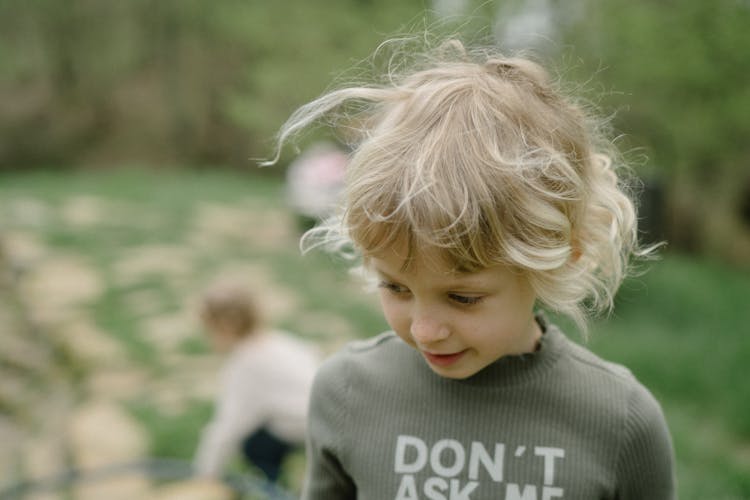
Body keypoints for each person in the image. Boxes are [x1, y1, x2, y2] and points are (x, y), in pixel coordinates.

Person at [266, 36, 676, 499]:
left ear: (563, 254)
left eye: (463, 297)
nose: (424, 330)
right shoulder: (345, 393)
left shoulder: (620, 421)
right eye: (396, 288)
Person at [193, 279, 320, 485]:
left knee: (253, 445)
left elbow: (228, 427)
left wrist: (206, 472)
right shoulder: (282, 341)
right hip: (323, 414)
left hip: (303, 424)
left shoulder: (245, 366)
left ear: (224, 328)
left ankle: (271, 486)